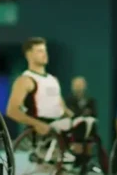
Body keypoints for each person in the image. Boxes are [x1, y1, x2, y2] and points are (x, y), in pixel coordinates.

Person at [6, 37, 102, 173]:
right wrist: (36, 124)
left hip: (60, 126)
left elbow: (62, 108)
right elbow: (12, 111)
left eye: (45, 51)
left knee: (88, 122)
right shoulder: (25, 80)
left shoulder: (53, 80)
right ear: (29, 55)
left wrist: (75, 117)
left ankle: (80, 160)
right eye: (39, 51)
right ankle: (71, 159)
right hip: (41, 128)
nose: (44, 54)